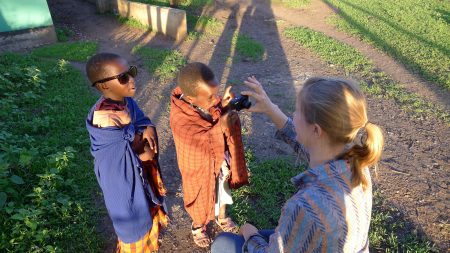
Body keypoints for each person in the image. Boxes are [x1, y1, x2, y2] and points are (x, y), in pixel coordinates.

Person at [212, 76, 384, 252]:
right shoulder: (357, 162)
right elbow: (303, 141)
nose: (293, 115)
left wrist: (251, 236)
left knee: (223, 243)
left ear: (316, 130)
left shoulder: (305, 206)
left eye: (297, 111)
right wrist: (270, 108)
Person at [85, 53, 168, 253]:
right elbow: (113, 162)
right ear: (104, 85)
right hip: (125, 184)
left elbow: (138, 118)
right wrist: (137, 149)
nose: (132, 80)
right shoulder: (104, 120)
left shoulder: (124, 101)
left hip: (141, 174)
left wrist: (146, 125)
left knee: (148, 208)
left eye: (131, 72)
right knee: (133, 222)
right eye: (123, 78)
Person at [169, 62, 249, 247]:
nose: (215, 99)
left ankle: (222, 216)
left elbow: (216, 112)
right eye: (211, 96)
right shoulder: (180, 117)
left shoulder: (204, 98)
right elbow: (198, 141)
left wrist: (225, 106)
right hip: (198, 167)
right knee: (199, 194)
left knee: (222, 187)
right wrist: (221, 124)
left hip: (219, 160)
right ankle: (198, 225)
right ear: (190, 97)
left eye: (216, 93)